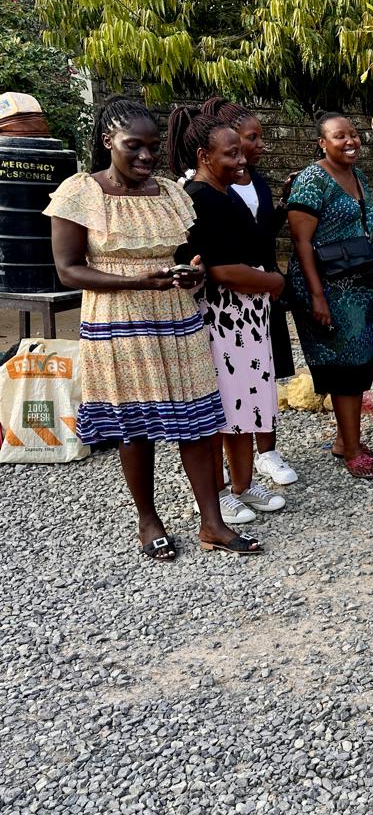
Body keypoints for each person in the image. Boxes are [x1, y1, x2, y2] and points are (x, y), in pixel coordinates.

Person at [44, 96, 260, 559]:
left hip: (177, 318)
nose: (145, 156)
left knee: (197, 423)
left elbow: (179, 256)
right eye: (133, 146)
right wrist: (135, 280)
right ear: (108, 142)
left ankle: (212, 523)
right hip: (117, 324)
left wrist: (192, 271)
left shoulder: (171, 193)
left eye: (152, 147)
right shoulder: (79, 193)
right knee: (134, 426)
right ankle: (148, 519)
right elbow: (67, 270)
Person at [170, 105, 288, 526]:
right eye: (231, 154)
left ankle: (242, 485)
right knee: (223, 410)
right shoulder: (200, 199)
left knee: (248, 403)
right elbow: (215, 268)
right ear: (205, 157)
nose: (241, 161)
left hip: (249, 317)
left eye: (241, 152)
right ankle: (218, 493)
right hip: (224, 319)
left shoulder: (226, 193)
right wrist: (273, 283)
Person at [200, 97, 298, 486]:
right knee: (232, 386)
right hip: (232, 302)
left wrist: (282, 207)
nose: (256, 148)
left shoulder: (255, 180)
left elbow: (260, 236)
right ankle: (226, 477)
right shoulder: (207, 190)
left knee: (262, 373)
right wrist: (271, 281)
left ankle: (265, 454)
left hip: (259, 296)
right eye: (249, 140)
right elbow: (218, 261)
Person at [285, 112, 373, 479]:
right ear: (322, 143)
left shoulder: (357, 177)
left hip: (360, 287)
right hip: (327, 286)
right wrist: (317, 296)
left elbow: (363, 227)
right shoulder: (314, 179)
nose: (350, 141)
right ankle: (351, 449)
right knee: (344, 368)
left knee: (359, 366)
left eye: (354, 135)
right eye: (339, 136)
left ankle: (347, 439)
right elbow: (301, 240)